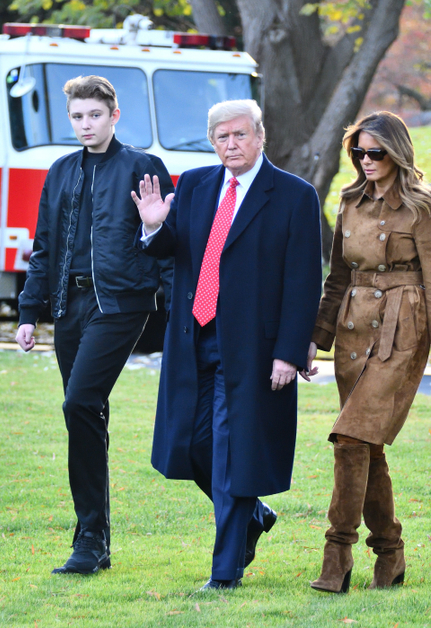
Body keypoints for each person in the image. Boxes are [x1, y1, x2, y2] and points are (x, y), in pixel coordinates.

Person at [132, 99, 322, 590]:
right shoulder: (195, 184)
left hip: (254, 350)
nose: (231, 145)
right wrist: (154, 224)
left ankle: (225, 573)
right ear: (212, 141)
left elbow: (303, 280)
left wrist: (289, 349)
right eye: (222, 137)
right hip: (193, 340)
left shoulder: (294, 195)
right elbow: (174, 248)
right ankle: (254, 516)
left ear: (261, 136)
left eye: (240, 135)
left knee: (233, 454)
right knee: (192, 447)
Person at [15, 75, 174, 575]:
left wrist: (179, 310)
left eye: (95, 116)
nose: (86, 125)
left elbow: (169, 242)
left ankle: (89, 539)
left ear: (114, 116)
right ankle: (94, 541)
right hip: (69, 306)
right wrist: (28, 311)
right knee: (85, 416)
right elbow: (44, 245)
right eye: (78, 117)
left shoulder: (143, 167)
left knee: (80, 401)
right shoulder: (61, 171)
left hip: (121, 304)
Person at [307, 111, 431, 593]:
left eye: (376, 152)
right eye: (359, 152)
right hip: (353, 330)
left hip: (402, 328)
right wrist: (315, 337)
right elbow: (336, 278)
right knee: (366, 447)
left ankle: (337, 555)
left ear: (396, 153)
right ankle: (390, 556)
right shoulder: (349, 201)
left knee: (350, 439)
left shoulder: (422, 207)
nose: (366, 160)